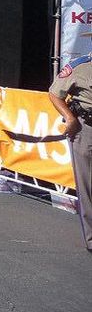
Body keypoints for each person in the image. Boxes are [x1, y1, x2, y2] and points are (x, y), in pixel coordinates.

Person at [48, 47, 92, 253]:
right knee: (88, 186)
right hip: (87, 130)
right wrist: (70, 117)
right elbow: (55, 93)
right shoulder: (79, 67)